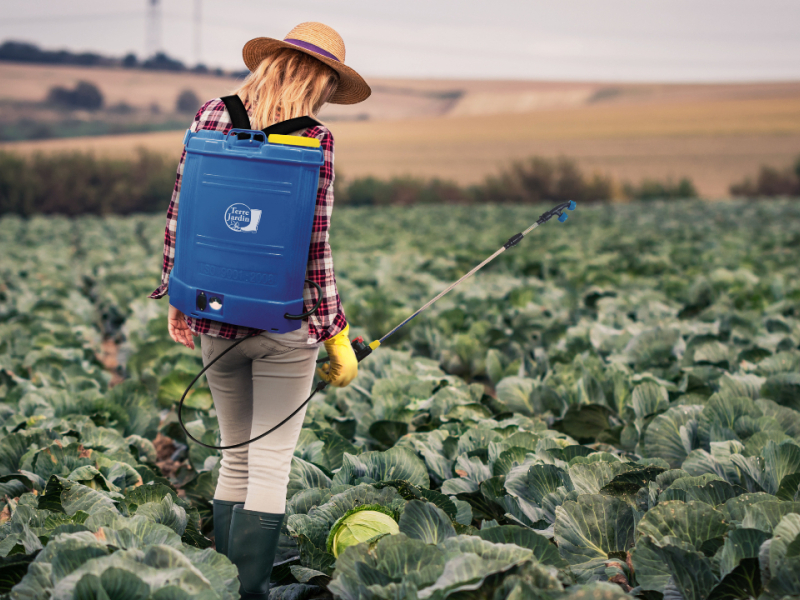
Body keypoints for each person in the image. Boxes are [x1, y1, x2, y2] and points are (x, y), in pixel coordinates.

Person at [148, 22, 370, 598]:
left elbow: (183, 213)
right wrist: (336, 334)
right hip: (284, 324)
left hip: (214, 318)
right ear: (322, 81)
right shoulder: (315, 138)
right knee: (270, 464)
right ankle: (247, 593)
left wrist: (175, 295)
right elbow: (313, 249)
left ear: (269, 63)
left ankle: (223, 587)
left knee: (235, 459)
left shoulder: (209, 114)